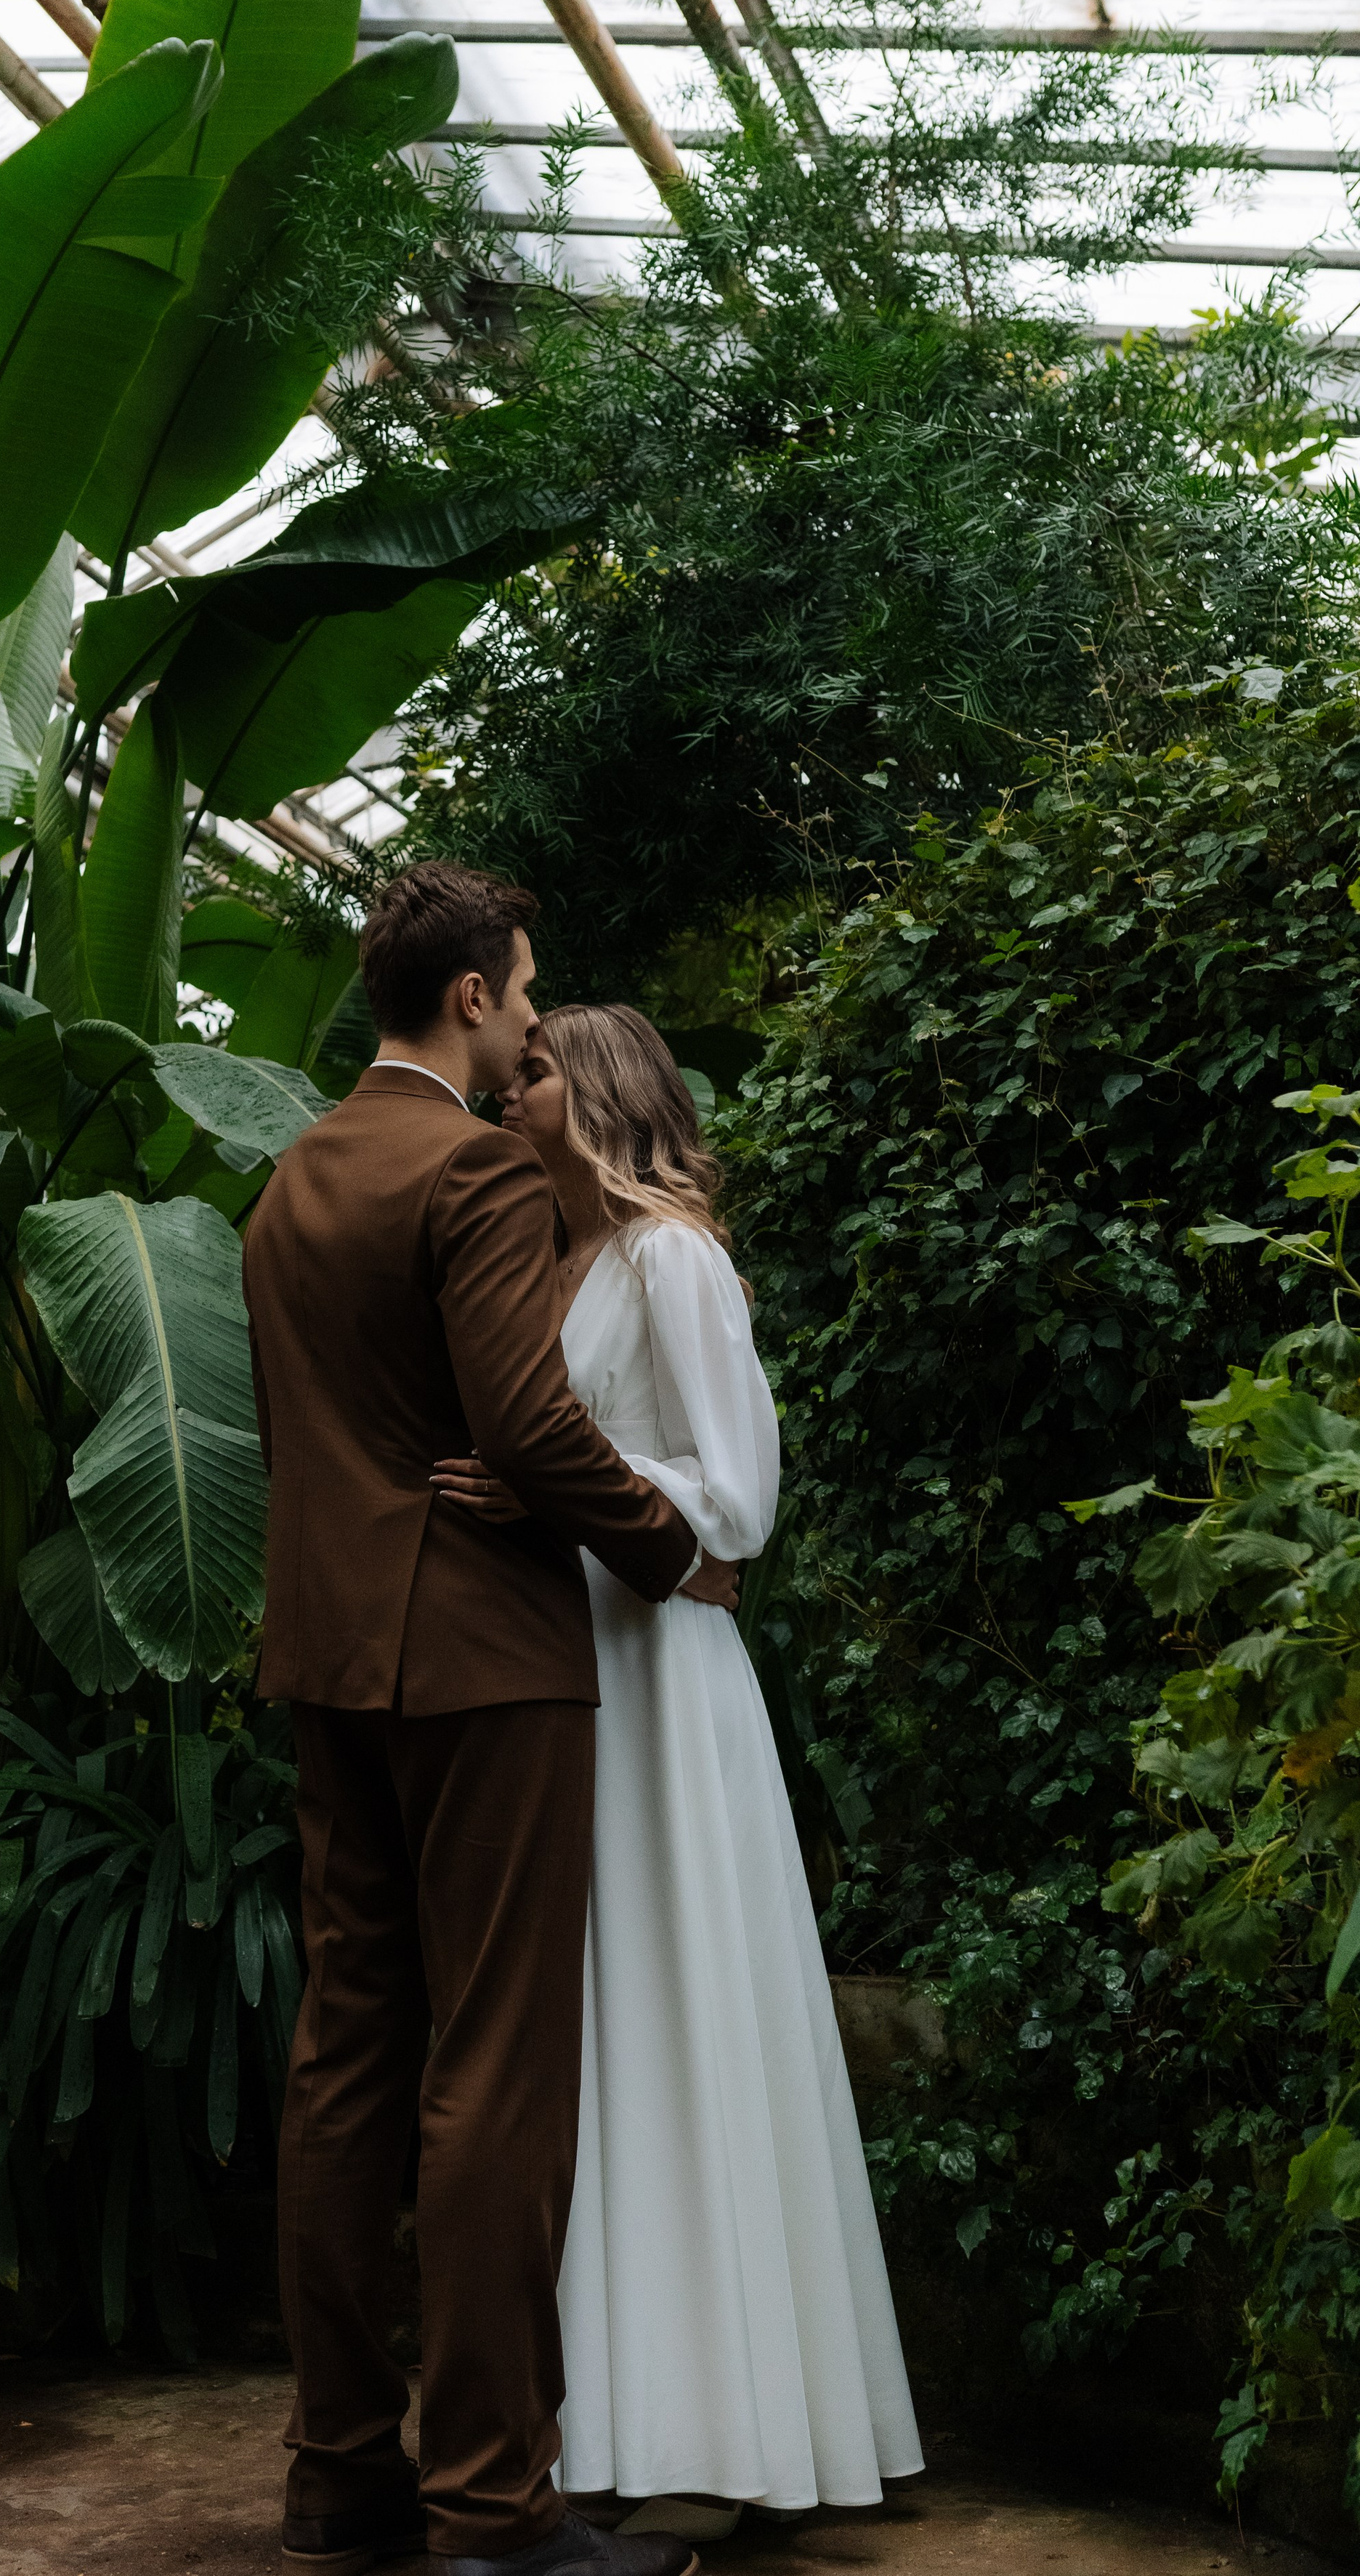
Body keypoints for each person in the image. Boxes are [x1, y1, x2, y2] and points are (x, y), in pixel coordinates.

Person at [244, 864, 738, 2576]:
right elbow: (528, 1431)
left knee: (346, 2059)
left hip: (324, 1666)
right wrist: (669, 1545)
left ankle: (335, 2475)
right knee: (497, 2078)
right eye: (522, 994)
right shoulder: (468, 1168)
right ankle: (491, 2509)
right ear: (467, 999)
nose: (531, 1019)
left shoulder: (291, 1173)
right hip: (483, 1665)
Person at [432, 1006, 924, 2540]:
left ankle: (735, 2425)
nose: (504, 1102)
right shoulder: (560, 1267)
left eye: (525, 1082)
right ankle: (614, 2422)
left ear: (591, 1096)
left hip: (663, 1675)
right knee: (603, 2038)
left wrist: (551, 1482)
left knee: (686, 2015)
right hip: (575, 1669)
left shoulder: (673, 1260)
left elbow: (739, 1505)